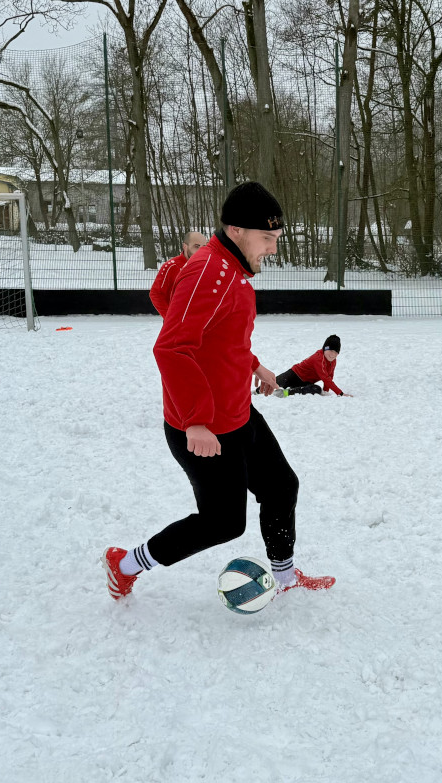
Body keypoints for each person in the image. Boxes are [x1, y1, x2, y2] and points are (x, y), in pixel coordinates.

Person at [102, 182, 335, 601]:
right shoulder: (209, 271)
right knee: (223, 523)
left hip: (238, 413)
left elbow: (223, 339)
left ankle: (284, 578)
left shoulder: (234, 272)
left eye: (276, 239)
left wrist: (255, 365)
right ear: (236, 230)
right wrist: (194, 421)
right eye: (267, 239)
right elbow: (172, 348)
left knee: (282, 487)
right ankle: (124, 564)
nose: (273, 249)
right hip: (204, 429)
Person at [150, 230, 209, 317]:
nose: (200, 251)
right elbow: (156, 294)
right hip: (177, 324)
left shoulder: (207, 266)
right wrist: (170, 318)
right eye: (196, 246)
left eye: (204, 247)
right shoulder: (171, 266)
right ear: (185, 246)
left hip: (201, 322)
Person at [274, 335, 349, 397]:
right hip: (293, 376)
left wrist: (326, 391)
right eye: (331, 351)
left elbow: (329, 376)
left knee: (316, 389)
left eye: (336, 352)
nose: (333, 354)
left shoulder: (333, 361)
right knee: (267, 386)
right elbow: (325, 378)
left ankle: (286, 393)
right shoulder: (319, 358)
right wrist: (340, 393)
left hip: (305, 383)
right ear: (325, 349)